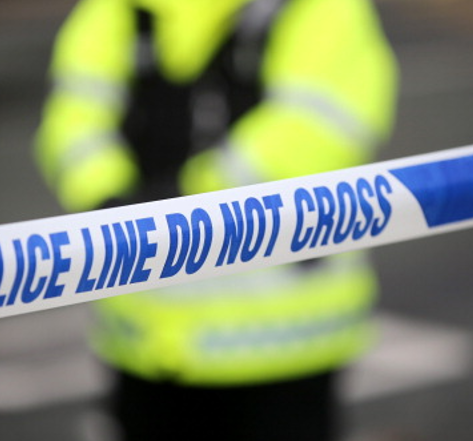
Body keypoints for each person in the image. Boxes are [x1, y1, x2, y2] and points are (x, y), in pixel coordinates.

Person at [34, 0, 398, 439]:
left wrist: (186, 198)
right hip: (146, 342)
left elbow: (318, 129)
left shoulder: (317, 8)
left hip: (283, 343)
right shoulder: (115, 10)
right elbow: (73, 118)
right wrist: (108, 198)